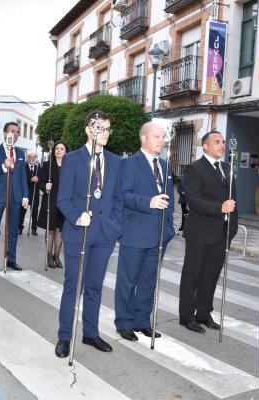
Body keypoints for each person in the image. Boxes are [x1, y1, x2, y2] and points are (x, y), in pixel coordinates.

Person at [55, 111, 123, 358]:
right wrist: (76, 217)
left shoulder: (116, 161)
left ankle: (90, 333)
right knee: (73, 285)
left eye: (107, 129)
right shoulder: (73, 159)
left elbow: (117, 197)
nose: (105, 133)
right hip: (78, 232)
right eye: (101, 128)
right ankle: (64, 336)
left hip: (105, 234)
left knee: (95, 286)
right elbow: (62, 198)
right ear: (89, 130)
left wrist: (115, 226)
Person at [114, 122, 175, 342]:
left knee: (149, 280)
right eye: (157, 136)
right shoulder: (129, 164)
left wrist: (169, 228)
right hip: (135, 233)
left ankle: (142, 321)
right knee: (128, 281)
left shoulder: (166, 166)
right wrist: (148, 202)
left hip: (159, 235)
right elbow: (124, 195)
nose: (162, 140)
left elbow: (171, 198)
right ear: (144, 138)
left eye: (163, 137)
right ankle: (123, 322)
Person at [179, 129, 238, 334]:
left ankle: (203, 313)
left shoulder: (227, 168)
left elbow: (233, 201)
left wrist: (232, 228)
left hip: (222, 233)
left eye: (222, 141)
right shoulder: (194, 169)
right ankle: (186, 316)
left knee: (211, 276)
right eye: (216, 142)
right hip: (200, 232)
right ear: (205, 146)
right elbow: (193, 200)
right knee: (192, 276)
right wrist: (219, 208)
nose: (221, 145)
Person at [0, 122, 29, 272]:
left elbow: (23, 177)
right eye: (12, 131)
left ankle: (12, 259)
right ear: (4, 133)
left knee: (13, 230)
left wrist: (25, 196)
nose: (15, 134)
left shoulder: (21, 153)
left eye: (17, 132)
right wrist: (3, 167)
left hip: (16, 196)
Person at [38, 141, 69, 269]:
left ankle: (57, 256)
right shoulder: (47, 165)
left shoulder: (70, 165)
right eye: (57, 148)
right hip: (50, 201)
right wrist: (45, 186)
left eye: (62, 148)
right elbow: (40, 181)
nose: (59, 150)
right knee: (50, 229)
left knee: (59, 230)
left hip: (64, 202)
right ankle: (49, 256)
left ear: (66, 151)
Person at [20, 152, 40, 236]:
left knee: (35, 213)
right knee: (22, 211)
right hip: (26, 193)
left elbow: (41, 179)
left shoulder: (38, 168)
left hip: (35, 194)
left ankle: (34, 229)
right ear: (27, 158)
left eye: (34, 157)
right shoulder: (23, 167)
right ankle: (19, 228)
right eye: (30, 157)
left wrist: (38, 180)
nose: (32, 158)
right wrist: (31, 179)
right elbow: (21, 179)